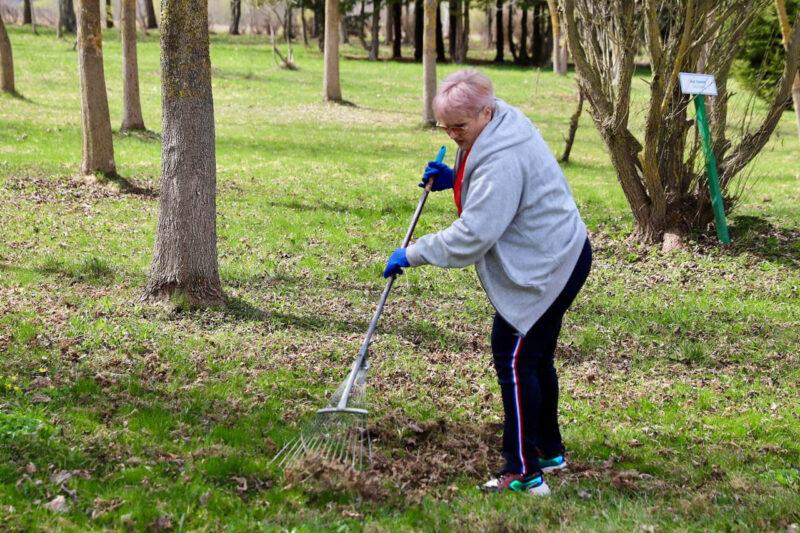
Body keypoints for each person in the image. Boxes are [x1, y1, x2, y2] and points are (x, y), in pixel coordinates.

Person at [382, 69, 592, 496]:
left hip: (546, 265)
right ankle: (548, 451)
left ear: (485, 112)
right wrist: (455, 177)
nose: (453, 135)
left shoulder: (502, 158)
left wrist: (414, 253)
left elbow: (474, 234)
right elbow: (479, 170)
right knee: (534, 357)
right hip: (564, 251)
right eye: (445, 126)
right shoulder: (500, 122)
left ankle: (523, 471)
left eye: (459, 126)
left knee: (514, 358)